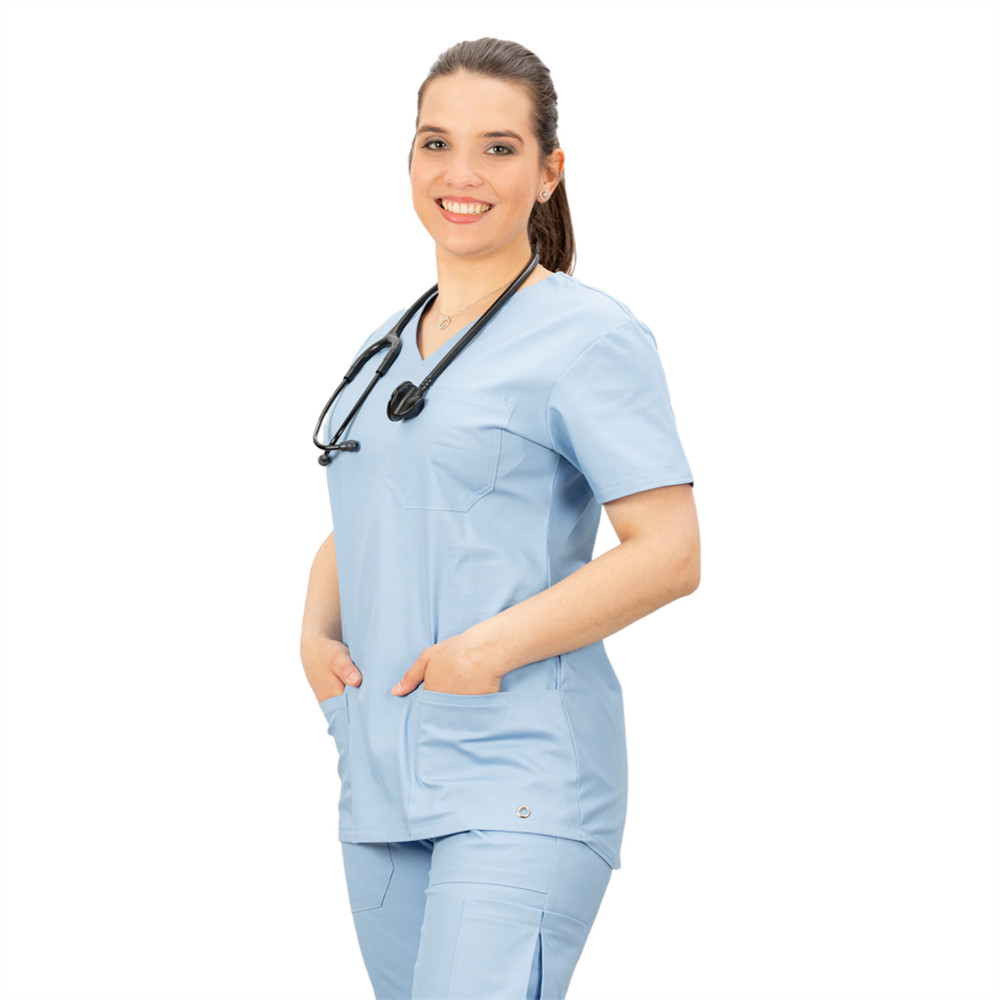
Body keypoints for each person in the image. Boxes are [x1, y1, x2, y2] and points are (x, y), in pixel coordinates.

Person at [300, 37, 700, 1000]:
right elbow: (375, 511)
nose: (461, 174)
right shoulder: (384, 348)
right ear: (410, 159)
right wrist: (313, 635)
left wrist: (485, 652)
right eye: (437, 143)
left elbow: (670, 552)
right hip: (381, 773)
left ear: (549, 172)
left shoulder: (590, 335)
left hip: (520, 772)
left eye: (499, 148)